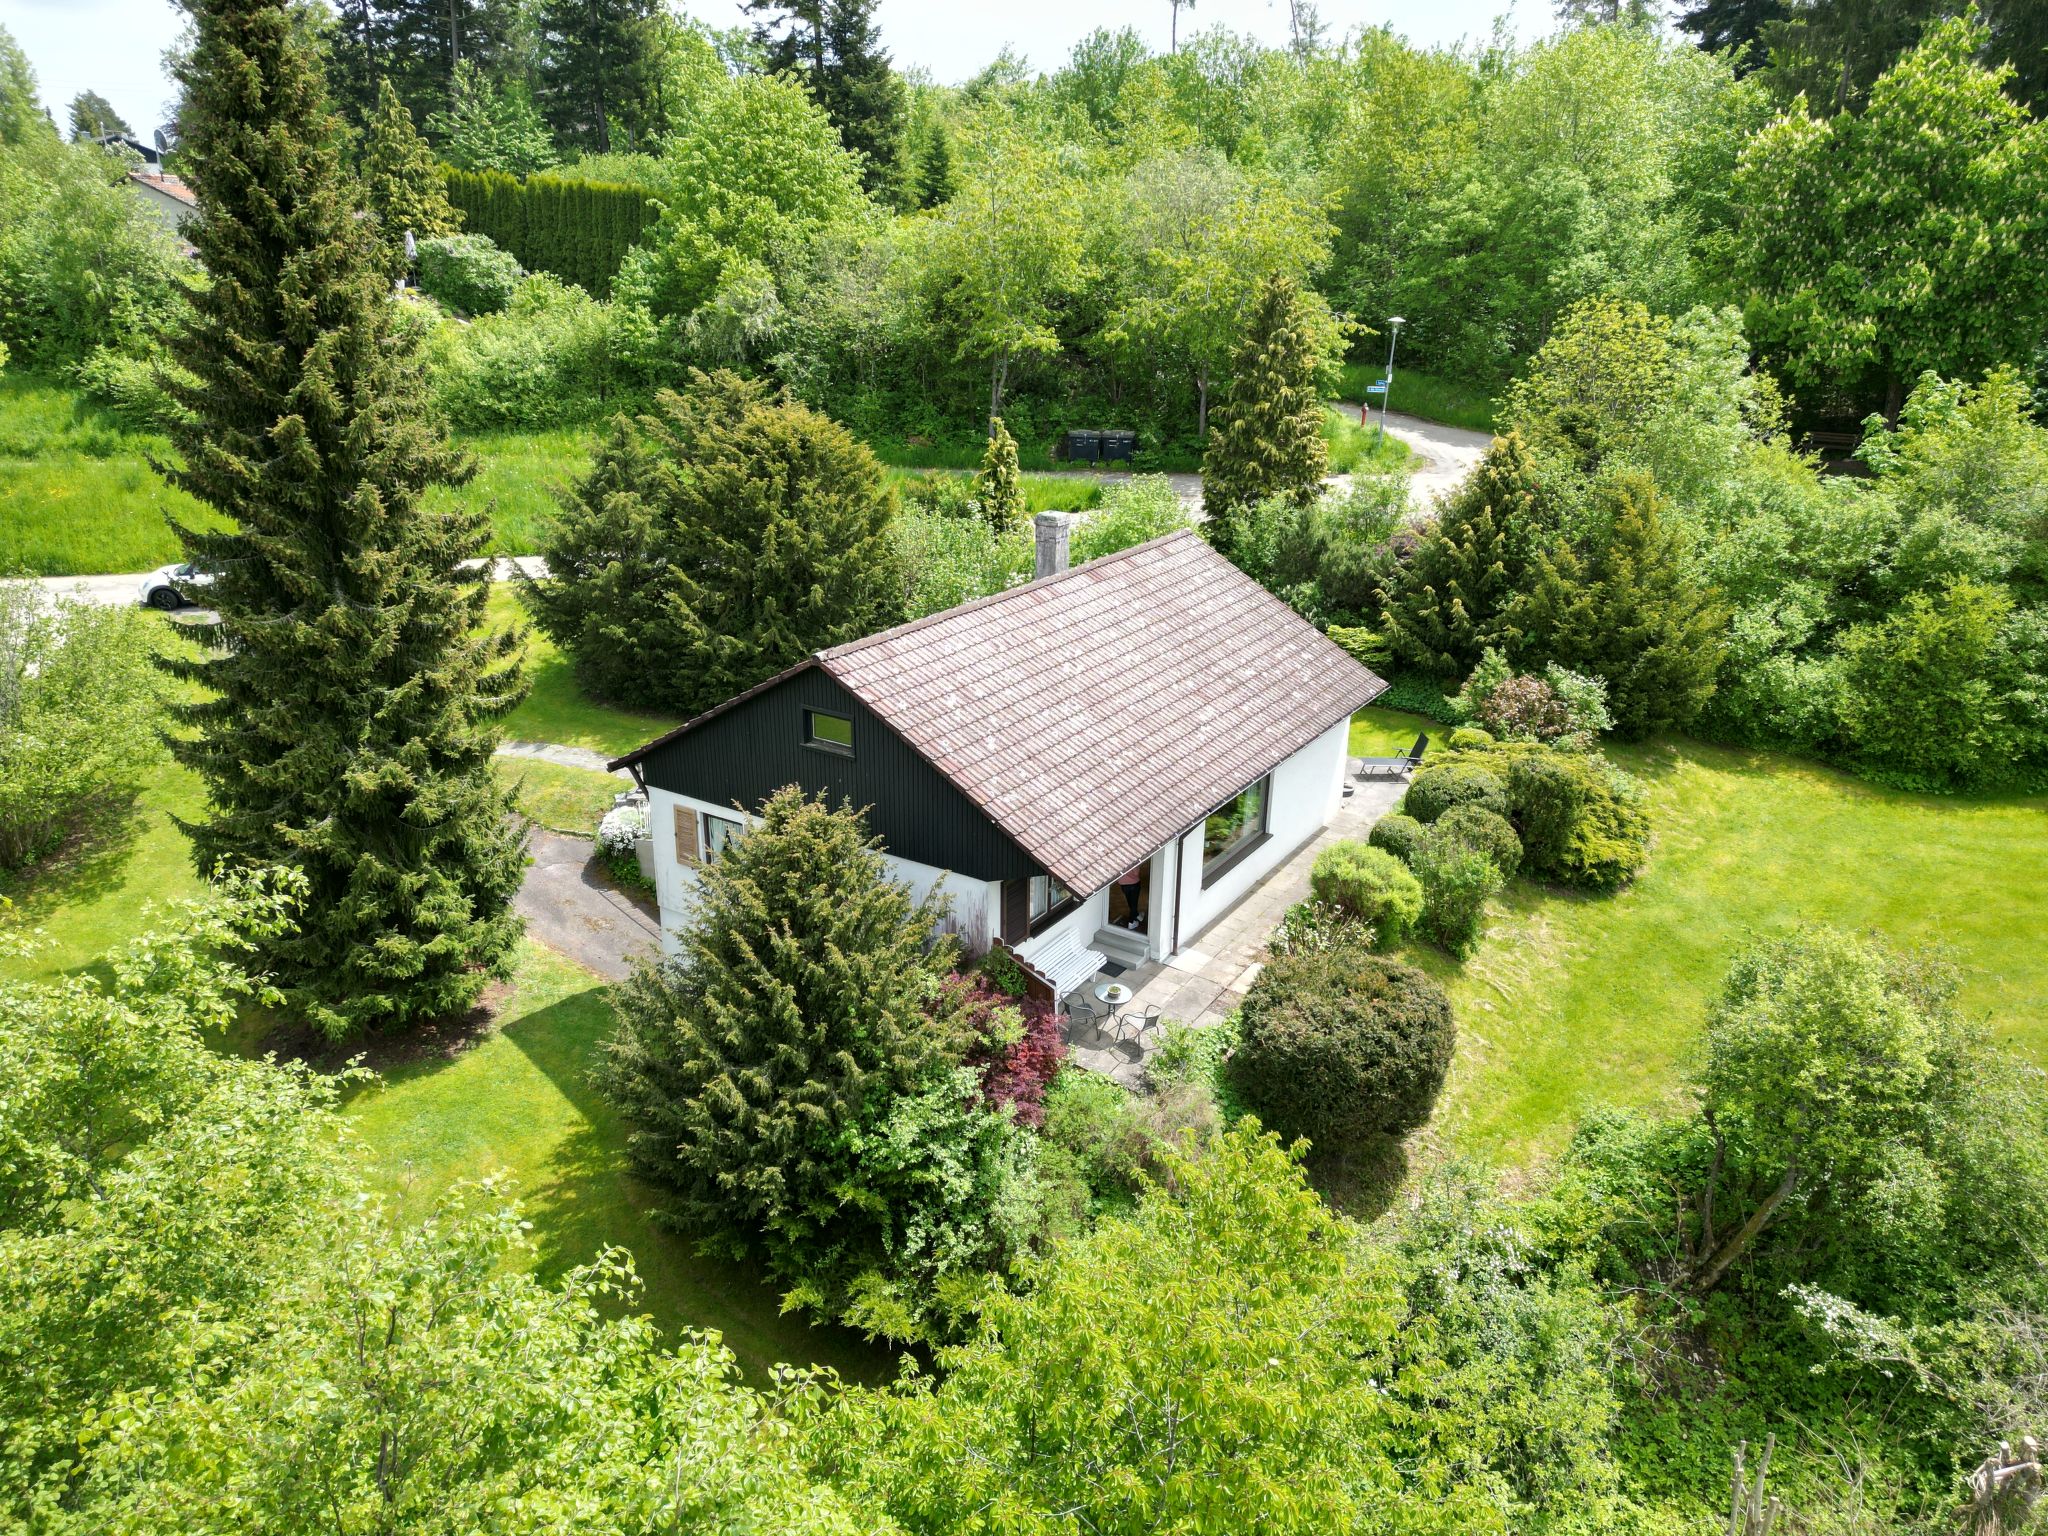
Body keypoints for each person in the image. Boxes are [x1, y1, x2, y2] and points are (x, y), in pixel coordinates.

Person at [1116, 862, 1144, 929]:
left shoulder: (1117, 859)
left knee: (1130, 901)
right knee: (1134, 904)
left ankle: (1136, 915)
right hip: (1134, 884)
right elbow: (1136, 873)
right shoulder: (1132, 859)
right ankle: (1131, 922)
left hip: (1123, 884)